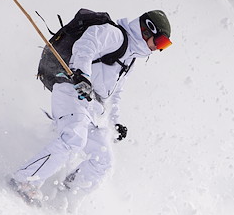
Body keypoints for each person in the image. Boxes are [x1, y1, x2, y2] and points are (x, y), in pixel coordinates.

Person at [10, 10, 172, 204]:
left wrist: (115, 123)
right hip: (72, 90)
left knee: (103, 161)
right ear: (147, 30)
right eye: (161, 42)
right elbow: (87, 44)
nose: (159, 49)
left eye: (165, 46)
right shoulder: (116, 35)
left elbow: (115, 93)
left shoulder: (131, 57)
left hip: (91, 107)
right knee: (74, 138)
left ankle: (65, 197)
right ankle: (24, 180)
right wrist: (82, 74)